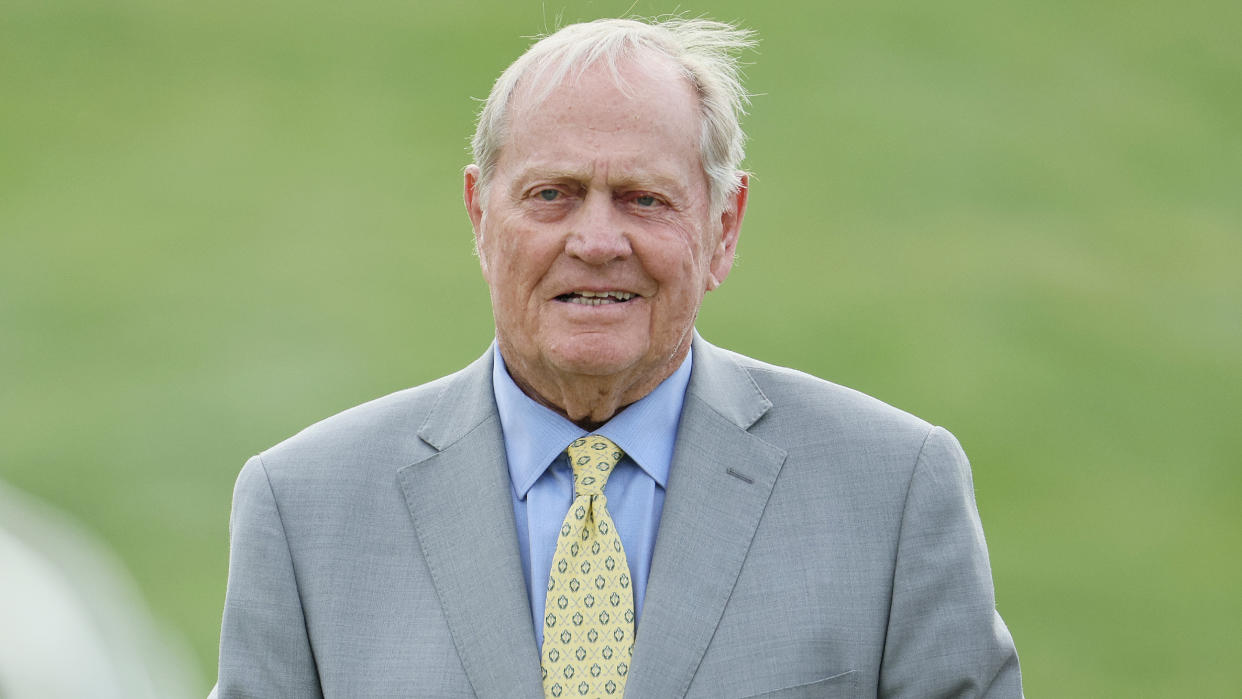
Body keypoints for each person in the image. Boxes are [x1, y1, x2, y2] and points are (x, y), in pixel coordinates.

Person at [212, 17, 1021, 699]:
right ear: (479, 215)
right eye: (551, 194)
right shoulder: (303, 509)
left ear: (723, 227)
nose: (597, 242)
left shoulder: (894, 488)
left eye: (645, 198)